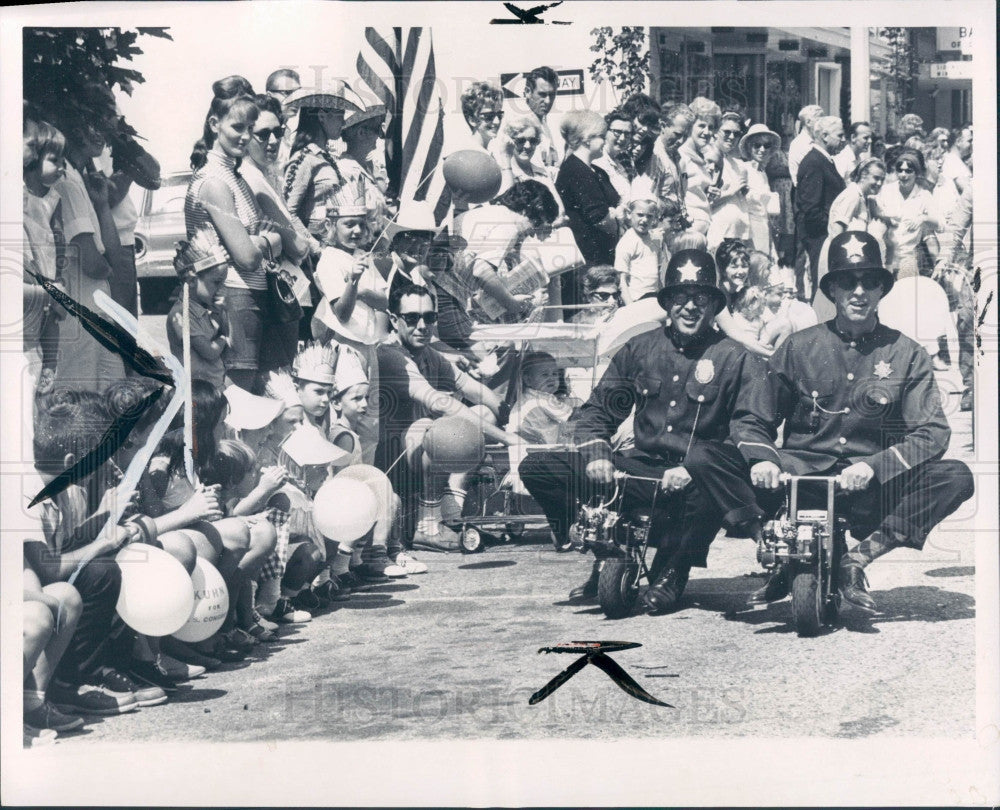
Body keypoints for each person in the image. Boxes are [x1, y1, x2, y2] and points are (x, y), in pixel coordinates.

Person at [735, 230, 975, 612]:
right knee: (711, 458)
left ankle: (858, 559)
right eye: (848, 281)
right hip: (800, 481)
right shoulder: (799, 346)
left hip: (869, 487)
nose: (859, 292)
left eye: (869, 282)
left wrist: (874, 465)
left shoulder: (906, 353)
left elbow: (933, 432)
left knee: (955, 475)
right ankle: (778, 551)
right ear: (833, 290)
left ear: (882, 289)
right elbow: (752, 417)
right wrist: (764, 459)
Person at [519, 249, 768, 613]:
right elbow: (596, 412)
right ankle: (608, 550)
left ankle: (674, 569)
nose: (690, 307)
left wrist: (693, 469)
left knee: (710, 483)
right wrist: (598, 455)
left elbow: (746, 427)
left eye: (700, 298)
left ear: (714, 305)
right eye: (680, 297)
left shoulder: (734, 357)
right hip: (638, 469)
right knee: (538, 468)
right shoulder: (640, 349)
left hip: (690, 479)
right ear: (667, 303)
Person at [375, 284, 519, 550]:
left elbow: (473, 389)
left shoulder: (428, 353)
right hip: (388, 462)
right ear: (394, 320)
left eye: (429, 317)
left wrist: (510, 416)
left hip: (416, 456)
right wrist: (508, 438)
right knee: (436, 428)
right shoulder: (390, 355)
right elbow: (440, 403)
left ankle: (451, 509)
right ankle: (426, 526)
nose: (422, 325)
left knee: (484, 414)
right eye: (411, 318)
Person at [185, 86, 284, 393]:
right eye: (237, 127)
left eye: (249, 129)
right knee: (237, 400)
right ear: (215, 124)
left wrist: (261, 238)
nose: (245, 136)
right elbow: (247, 257)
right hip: (233, 297)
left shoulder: (234, 176)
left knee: (253, 395)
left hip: (249, 296)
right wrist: (270, 241)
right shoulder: (214, 180)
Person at [556, 110, 621, 303]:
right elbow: (601, 219)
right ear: (586, 139)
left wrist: (615, 213)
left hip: (599, 258)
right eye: (601, 136)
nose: (604, 141)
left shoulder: (595, 171)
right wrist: (617, 215)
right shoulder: (576, 171)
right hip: (588, 261)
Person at [167, 229, 232, 390]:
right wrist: (224, 337)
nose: (221, 288)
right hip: (195, 393)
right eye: (216, 282)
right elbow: (209, 352)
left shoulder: (212, 309)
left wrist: (229, 311)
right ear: (192, 280)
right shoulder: (180, 314)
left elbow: (240, 348)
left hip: (215, 388)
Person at [794, 115, 847, 302]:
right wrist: (831, 227)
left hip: (825, 236)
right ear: (824, 136)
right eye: (839, 135)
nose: (843, 139)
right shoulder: (814, 162)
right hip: (819, 237)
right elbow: (811, 209)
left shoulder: (824, 161)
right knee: (821, 285)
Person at [493, 113, 565, 221]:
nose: (527, 146)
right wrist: (506, 157)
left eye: (533, 141)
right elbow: (507, 210)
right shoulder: (504, 173)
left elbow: (560, 211)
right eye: (520, 141)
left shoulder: (541, 173)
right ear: (510, 141)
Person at [877, 150, 937, 277]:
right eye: (900, 170)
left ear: (917, 173)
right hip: (883, 257)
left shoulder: (924, 196)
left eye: (908, 171)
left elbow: (941, 224)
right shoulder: (886, 191)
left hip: (907, 258)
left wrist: (923, 218)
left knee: (905, 293)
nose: (903, 174)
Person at [678, 97, 723, 235]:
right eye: (702, 125)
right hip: (688, 231)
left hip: (702, 229)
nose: (707, 132)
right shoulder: (681, 155)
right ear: (690, 126)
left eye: (711, 127)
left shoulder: (702, 157)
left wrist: (708, 192)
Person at [739, 123, 781, 257]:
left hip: (764, 227)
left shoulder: (762, 173)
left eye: (767, 145)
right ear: (749, 147)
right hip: (750, 229)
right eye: (757, 145)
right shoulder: (744, 169)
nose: (762, 149)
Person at [615, 196, 666, 304]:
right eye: (640, 215)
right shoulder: (627, 242)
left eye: (649, 216)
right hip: (635, 298)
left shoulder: (655, 239)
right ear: (629, 214)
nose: (645, 220)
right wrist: (630, 306)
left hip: (653, 296)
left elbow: (657, 272)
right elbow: (621, 279)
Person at [523, 66, 561, 172]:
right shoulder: (519, 125)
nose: (548, 101)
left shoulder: (547, 123)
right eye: (542, 94)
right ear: (528, 92)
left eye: (552, 95)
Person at [593, 109, 633, 202]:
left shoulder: (624, 162)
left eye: (627, 134)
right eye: (617, 132)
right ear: (605, 132)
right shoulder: (596, 162)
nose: (622, 138)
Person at [459, 81, 506, 153]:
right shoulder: (469, 154)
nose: (497, 121)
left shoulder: (484, 152)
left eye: (499, 115)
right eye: (489, 116)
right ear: (472, 120)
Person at [787, 104, 824, 188]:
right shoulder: (799, 144)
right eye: (819, 121)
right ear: (808, 122)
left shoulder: (818, 142)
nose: (822, 126)